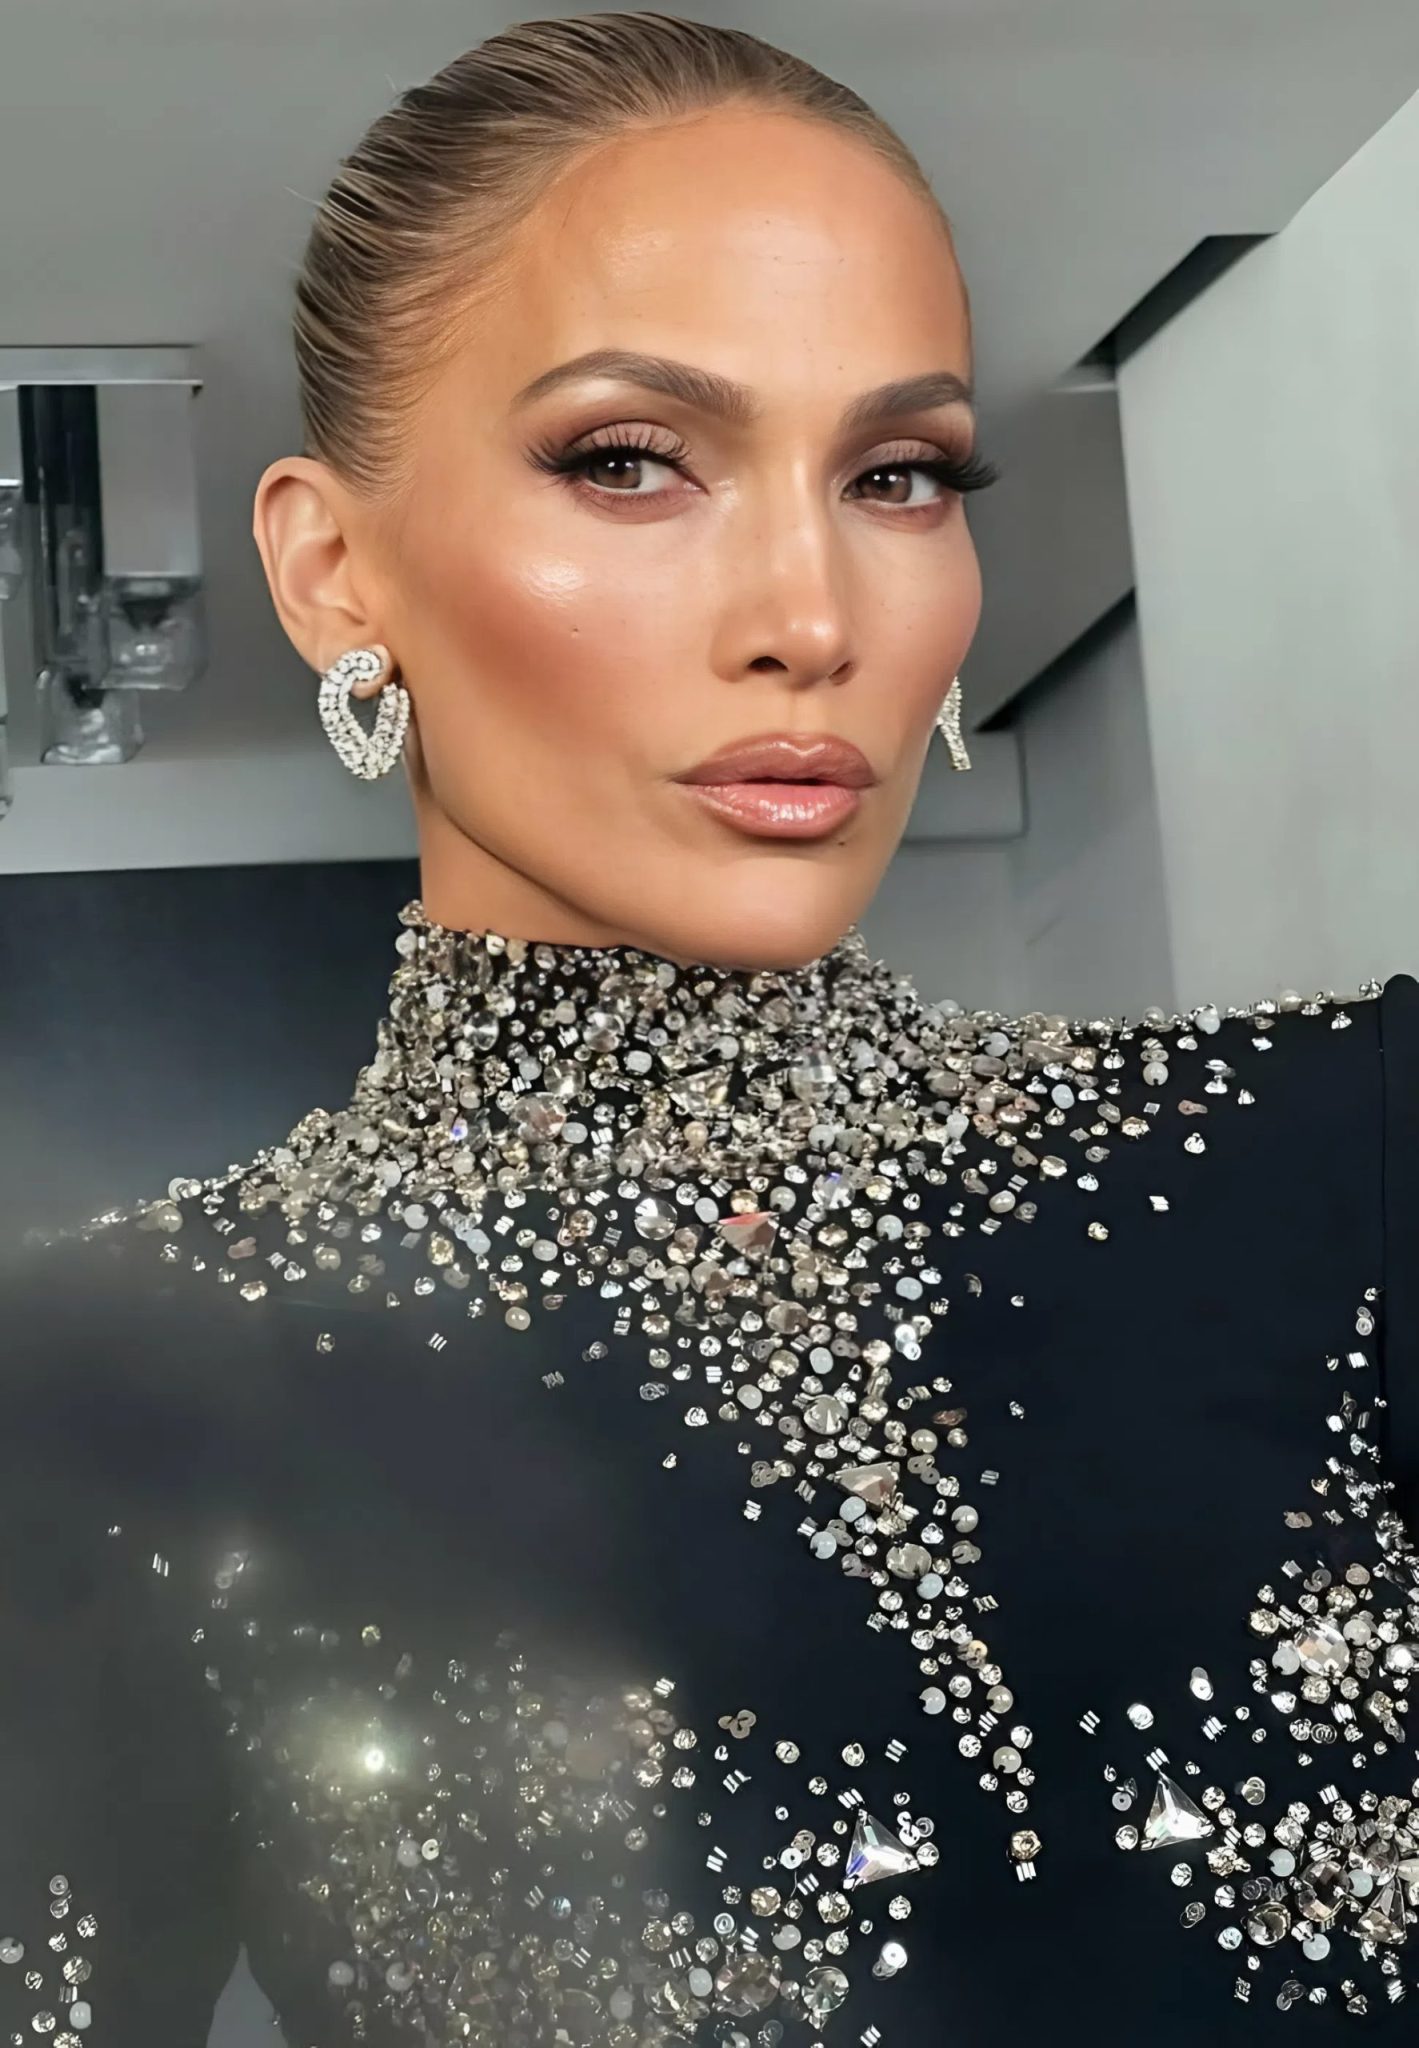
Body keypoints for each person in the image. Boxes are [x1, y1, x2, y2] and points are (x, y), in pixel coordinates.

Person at [3, 12, 1419, 2045]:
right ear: (332, 570)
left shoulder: (1345, 1149)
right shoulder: (99, 1389)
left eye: (897, 476)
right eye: (629, 461)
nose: (810, 614)